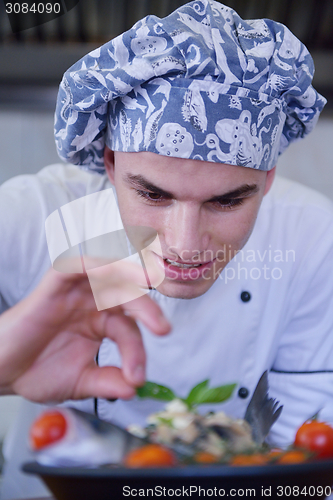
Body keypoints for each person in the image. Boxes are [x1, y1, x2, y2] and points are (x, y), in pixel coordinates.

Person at [1, 0, 333, 497]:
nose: (184, 245)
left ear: (266, 180)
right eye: (153, 194)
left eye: (226, 201)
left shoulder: (311, 237)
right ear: (110, 163)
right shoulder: (27, 217)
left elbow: (302, 450)